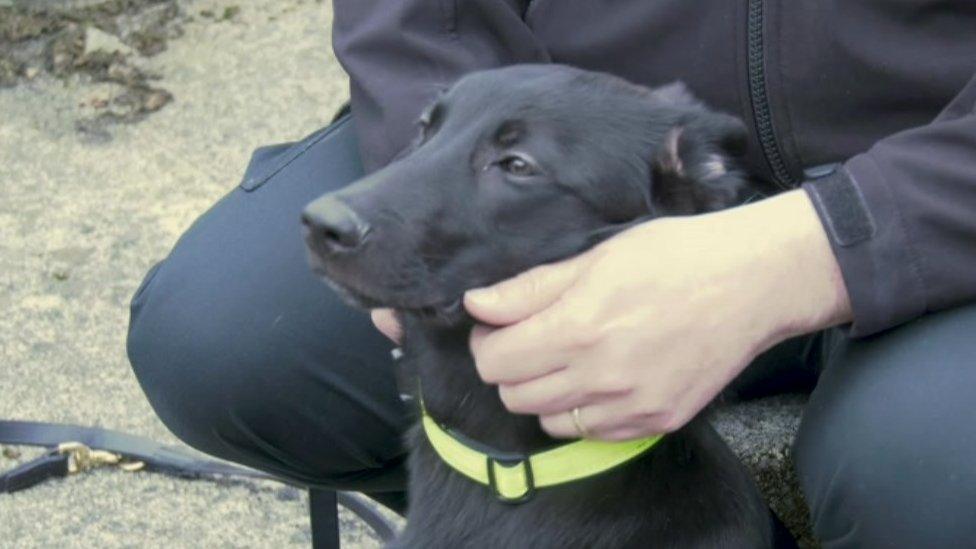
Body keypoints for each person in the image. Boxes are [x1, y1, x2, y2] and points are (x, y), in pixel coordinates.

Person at [126, 2, 976, 546]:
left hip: (943, 215)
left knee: (938, 469)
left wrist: (828, 242)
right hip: (577, 172)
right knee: (227, 338)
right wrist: (438, 176)